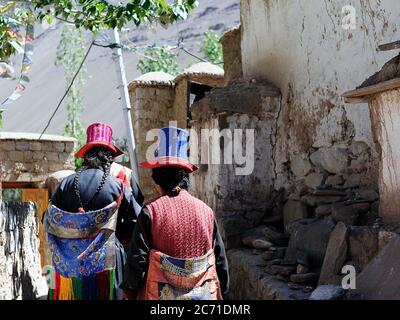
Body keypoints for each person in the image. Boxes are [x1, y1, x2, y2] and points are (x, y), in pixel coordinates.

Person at [122, 126, 229, 300]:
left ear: (157, 179)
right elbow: (219, 261)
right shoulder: (207, 212)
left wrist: (129, 292)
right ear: (185, 177)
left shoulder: (151, 211)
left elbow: (137, 260)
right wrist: (223, 292)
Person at [43, 122, 143, 300]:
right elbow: (138, 221)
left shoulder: (67, 184)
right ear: (109, 158)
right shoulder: (117, 187)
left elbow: (48, 218)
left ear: (86, 156)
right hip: (108, 263)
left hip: (70, 265)